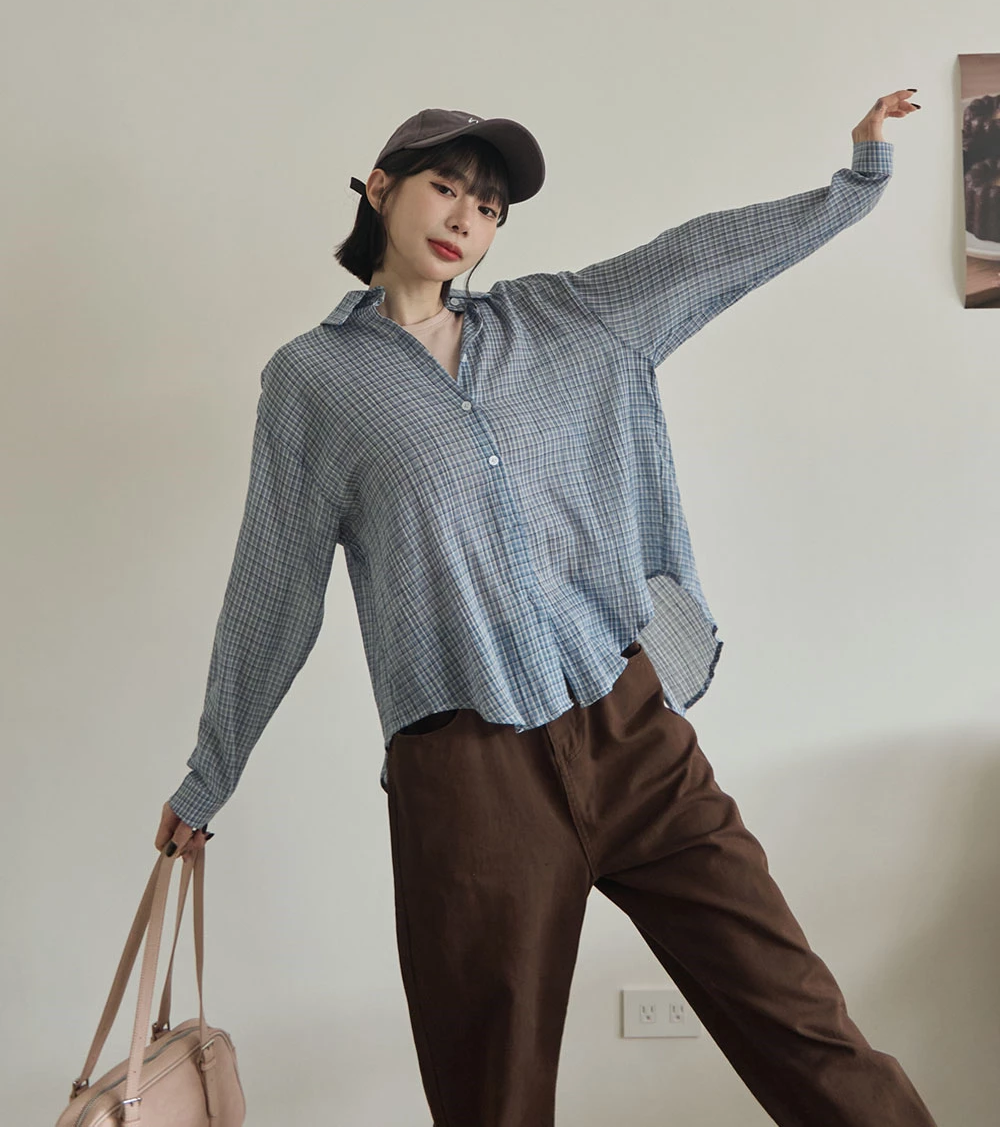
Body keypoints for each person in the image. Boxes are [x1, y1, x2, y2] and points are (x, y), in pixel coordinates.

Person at [155, 97, 938, 1127]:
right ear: (381, 188)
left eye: (488, 207)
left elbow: (698, 258)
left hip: (630, 731)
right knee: (494, 1100)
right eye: (445, 187)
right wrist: (209, 775)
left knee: (802, 1021)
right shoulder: (315, 382)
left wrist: (854, 185)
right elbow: (274, 584)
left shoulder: (563, 320)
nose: (464, 218)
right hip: (469, 783)